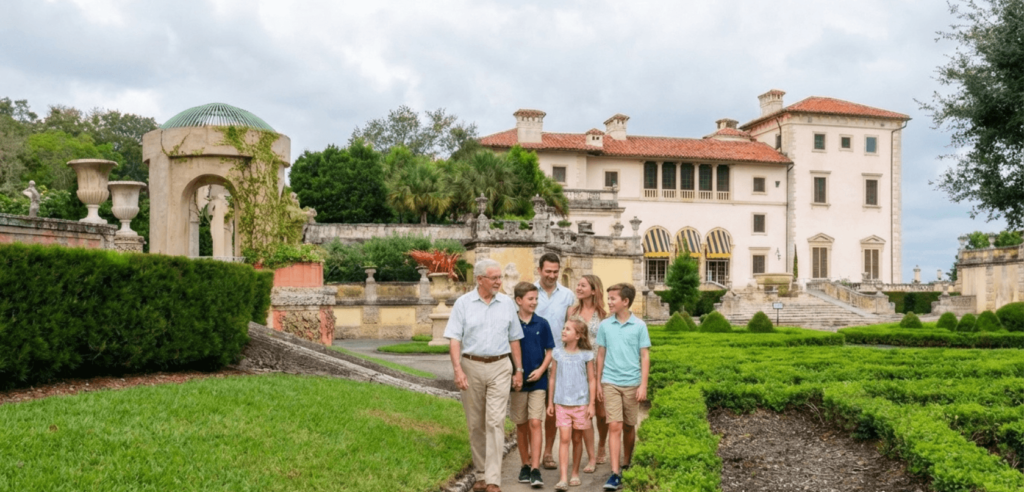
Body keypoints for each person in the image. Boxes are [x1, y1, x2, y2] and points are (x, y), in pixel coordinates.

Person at [445, 259, 525, 492]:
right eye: (494, 278)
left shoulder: (508, 304)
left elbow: (514, 339)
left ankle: (492, 479)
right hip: (472, 366)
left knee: (495, 421)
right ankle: (480, 474)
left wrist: (518, 370)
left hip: (501, 366)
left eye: (500, 277)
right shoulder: (463, 304)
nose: (499, 281)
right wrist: (457, 370)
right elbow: (454, 339)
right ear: (480, 279)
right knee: (476, 424)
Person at [595, 283, 650, 491]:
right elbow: (600, 355)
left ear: (625, 301)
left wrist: (643, 385)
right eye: (608, 298)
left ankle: (627, 462)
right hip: (610, 382)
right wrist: (600, 382)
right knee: (614, 426)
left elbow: (645, 356)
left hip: (632, 383)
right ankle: (615, 472)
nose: (609, 302)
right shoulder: (605, 325)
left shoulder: (639, 326)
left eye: (612, 299)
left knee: (629, 426)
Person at [534, 252, 576, 470]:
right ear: (540, 270)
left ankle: (548, 452)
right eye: (548, 271)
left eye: (555, 271)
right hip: (533, 358)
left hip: (559, 360)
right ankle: (532, 454)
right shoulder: (529, 292)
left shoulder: (568, 295)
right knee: (531, 412)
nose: (552, 275)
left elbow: (571, 326)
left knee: (552, 409)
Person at [510, 282, 555, 488]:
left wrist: (541, 370)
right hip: (517, 383)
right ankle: (525, 464)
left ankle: (536, 468)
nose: (534, 302)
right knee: (521, 424)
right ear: (519, 301)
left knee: (536, 422)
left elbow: (549, 351)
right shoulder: (511, 324)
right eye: (530, 299)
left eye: (536, 299)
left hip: (539, 382)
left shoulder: (542, 323)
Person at [546, 317, 596, 491]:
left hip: (581, 404)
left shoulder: (586, 355)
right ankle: (563, 478)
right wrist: (551, 402)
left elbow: (591, 380)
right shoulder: (557, 353)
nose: (563, 331)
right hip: (561, 403)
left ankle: (575, 473)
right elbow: (552, 379)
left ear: (578, 335)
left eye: (568, 329)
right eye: (564, 328)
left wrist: (591, 404)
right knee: (565, 438)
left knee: (577, 439)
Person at [565, 274, 608, 469]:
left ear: (594, 290)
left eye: (583, 285)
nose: (578, 288)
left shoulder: (604, 314)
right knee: (582, 410)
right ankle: (587, 451)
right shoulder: (572, 311)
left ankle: (601, 445)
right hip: (578, 366)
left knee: (601, 410)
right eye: (578, 285)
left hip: (600, 364)